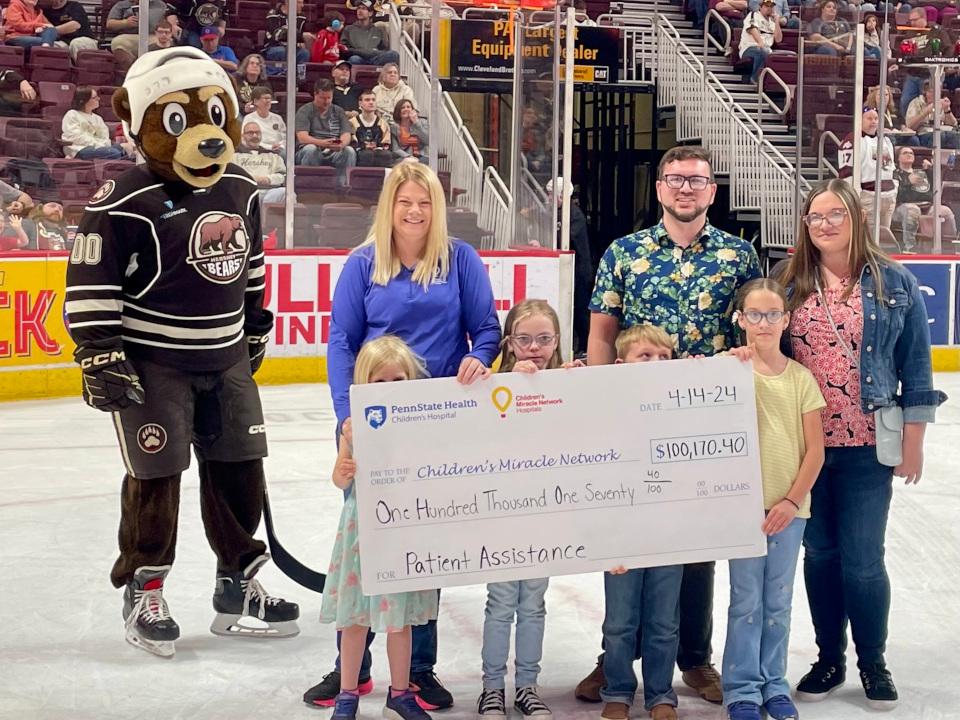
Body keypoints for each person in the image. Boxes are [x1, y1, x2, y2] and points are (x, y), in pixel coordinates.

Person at [64, 46, 299, 659]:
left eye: (215, 118)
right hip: (153, 364)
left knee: (241, 469)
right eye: (177, 122)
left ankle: (237, 582)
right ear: (138, 125)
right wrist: (98, 352)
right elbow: (91, 284)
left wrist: (252, 326)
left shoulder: (244, 187)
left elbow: (249, 265)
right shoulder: (118, 201)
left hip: (224, 358)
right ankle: (144, 587)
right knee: (156, 477)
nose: (207, 139)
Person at [303, 161, 501, 711]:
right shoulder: (363, 264)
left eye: (425, 202)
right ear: (388, 206)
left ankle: (417, 669)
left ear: (437, 208)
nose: (415, 212)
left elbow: (486, 328)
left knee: (426, 551)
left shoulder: (459, 260)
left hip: (437, 426)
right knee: (366, 544)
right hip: (373, 426)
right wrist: (347, 415)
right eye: (404, 201)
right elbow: (341, 340)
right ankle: (355, 667)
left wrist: (477, 359)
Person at [578, 145, 761, 707]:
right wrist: (598, 406)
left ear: (712, 191)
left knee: (698, 542)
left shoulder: (739, 258)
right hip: (635, 425)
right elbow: (603, 334)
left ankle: (695, 658)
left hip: (707, 425)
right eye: (676, 179)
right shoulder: (624, 253)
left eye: (697, 180)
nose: (686, 189)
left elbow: (751, 338)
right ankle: (615, 660)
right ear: (659, 188)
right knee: (627, 540)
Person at [778, 179, 946, 710]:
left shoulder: (892, 281)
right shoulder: (790, 285)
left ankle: (873, 660)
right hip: (804, 447)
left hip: (867, 444)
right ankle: (830, 658)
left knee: (863, 560)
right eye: (814, 216)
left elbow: (916, 363)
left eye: (834, 214)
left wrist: (913, 441)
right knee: (820, 554)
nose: (823, 224)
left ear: (855, 217)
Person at [722, 278, 826, 720]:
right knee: (746, 599)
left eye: (772, 315)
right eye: (754, 315)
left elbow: (815, 450)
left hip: (789, 509)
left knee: (778, 599)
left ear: (786, 320)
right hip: (743, 509)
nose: (763, 323)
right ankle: (742, 687)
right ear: (740, 319)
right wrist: (727, 367)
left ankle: (773, 682)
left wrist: (791, 501)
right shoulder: (728, 371)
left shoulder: (801, 378)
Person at [321, 334, 440, 720]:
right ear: (363, 384)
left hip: (403, 530)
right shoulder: (354, 428)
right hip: (363, 532)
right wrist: (342, 471)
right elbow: (340, 480)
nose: (389, 389)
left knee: (400, 621)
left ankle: (401, 693)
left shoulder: (420, 426)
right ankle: (347, 693)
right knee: (356, 619)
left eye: (397, 381)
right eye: (380, 382)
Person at [477, 299, 579, 719]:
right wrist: (511, 387)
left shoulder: (571, 384)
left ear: (557, 342)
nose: (534, 347)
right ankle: (491, 687)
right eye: (524, 339)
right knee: (501, 602)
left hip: (546, 515)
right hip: (502, 515)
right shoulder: (489, 386)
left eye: (543, 339)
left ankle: (527, 685)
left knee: (534, 602)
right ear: (509, 342)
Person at [598, 324, 684, 720]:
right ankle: (616, 690)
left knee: (664, 620)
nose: (655, 364)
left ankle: (660, 694)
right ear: (620, 364)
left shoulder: (686, 405)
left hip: (670, 528)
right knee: (619, 621)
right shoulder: (605, 408)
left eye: (664, 357)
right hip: (620, 530)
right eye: (644, 356)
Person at [838, 106, 897, 240]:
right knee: (868, 239)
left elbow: (890, 168)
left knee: (884, 239)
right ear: (860, 119)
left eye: (876, 118)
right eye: (869, 118)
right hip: (868, 197)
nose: (874, 122)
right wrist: (854, 198)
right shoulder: (851, 141)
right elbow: (846, 173)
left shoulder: (885, 140)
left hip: (888, 196)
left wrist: (895, 189)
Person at [892, 146, 957, 251]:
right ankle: (909, 247)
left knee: (946, 211)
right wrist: (908, 183)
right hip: (903, 206)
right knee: (912, 210)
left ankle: (950, 246)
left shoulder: (922, 172)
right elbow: (895, 195)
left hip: (927, 205)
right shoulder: (895, 174)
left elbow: (935, 190)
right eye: (905, 153)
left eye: (911, 153)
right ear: (898, 158)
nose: (909, 154)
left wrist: (930, 171)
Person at [295, 79, 357, 187]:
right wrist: (322, 143)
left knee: (349, 151)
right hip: (311, 148)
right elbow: (302, 138)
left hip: (333, 149)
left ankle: (343, 187)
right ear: (315, 94)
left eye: (329, 98)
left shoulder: (339, 111)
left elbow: (346, 134)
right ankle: (309, 186)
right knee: (311, 149)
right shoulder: (305, 110)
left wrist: (341, 144)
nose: (327, 101)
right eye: (323, 98)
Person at [896, 7, 953, 118]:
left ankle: (929, 127)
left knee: (929, 103)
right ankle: (908, 127)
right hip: (913, 73)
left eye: (915, 20)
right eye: (910, 20)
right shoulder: (909, 33)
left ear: (923, 18)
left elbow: (949, 48)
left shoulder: (936, 31)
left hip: (931, 74)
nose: (912, 23)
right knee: (905, 102)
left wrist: (943, 65)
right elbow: (903, 51)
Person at [62, 87, 136, 160]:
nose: (98, 99)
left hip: (101, 147)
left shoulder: (98, 118)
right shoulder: (72, 114)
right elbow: (77, 137)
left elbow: (105, 137)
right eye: (94, 97)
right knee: (114, 153)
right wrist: (100, 145)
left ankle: (124, 156)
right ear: (84, 101)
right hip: (79, 148)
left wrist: (103, 145)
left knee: (129, 149)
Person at [107, 0, 179, 70]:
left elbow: (170, 18)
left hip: (153, 36)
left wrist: (172, 24)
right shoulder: (121, 5)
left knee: (166, 42)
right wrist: (125, 23)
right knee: (117, 42)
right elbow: (109, 24)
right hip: (130, 38)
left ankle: (152, 70)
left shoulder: (160, 4)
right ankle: (133, 70)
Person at [235, 123, 286, 203]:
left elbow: (283, 176)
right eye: (250, 133)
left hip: (269, 193)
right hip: (244, 192)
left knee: (285, 192)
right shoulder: (234, 156)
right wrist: (252, 179)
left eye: (257, 133)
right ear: (243, 136)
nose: (255, 136)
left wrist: (268, 179)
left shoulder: (273, 156)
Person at [905, 80, 960, 149]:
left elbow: (954, 125)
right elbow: (910, 126)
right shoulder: (916, 103)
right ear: (925, 92)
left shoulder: (941, 102)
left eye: (937, 92)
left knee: (956, 135)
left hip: (943, 131)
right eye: (931, 92)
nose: (934, 94)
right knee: (939, 135)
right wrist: (927, 111)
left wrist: (947, 109)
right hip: (924, 134)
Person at [341, 0, 399, 66]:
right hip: (358, 58)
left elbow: (383, 49)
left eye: (363, 9)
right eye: (358, 8)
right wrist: (363, 52)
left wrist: (371, 53)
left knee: (393, 54)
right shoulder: (348, 29)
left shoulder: (378, 30)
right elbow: (344, 49)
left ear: (370, 13)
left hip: (375, 59)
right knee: (354, 59)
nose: (360, 11)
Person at [739, 0, 782, 84]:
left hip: (766, 50)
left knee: (786, 55)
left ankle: (771, 84)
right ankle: (755, 79)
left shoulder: (772, 23)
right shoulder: (753, 15)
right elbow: (752, 29)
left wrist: (777, 22)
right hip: (749, 48)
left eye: (771, 6)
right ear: (760, 7)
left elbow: (778, 39)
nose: (769, 8)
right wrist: (760, 42)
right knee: (762, 51)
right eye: (766, 6)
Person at [352, 89, 393, 167]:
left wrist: (378, 147)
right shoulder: (352, 123)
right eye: (367, 100)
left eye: (373, 100)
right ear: (360, 103)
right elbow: (352, 143)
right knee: (367, 154)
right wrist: (364, 146)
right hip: (360, 152)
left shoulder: (383, 123)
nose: (371, 102)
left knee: (386, 155)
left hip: (378, 151)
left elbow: (386, 144)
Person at [262, 0, 311, 64]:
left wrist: (302, 41)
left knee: (304, 53)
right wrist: (300, 36)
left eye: (302, 2)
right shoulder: (273, 15)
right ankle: (280, 73)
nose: (302, 5)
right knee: (281, 51)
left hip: (293, 48)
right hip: (273, 47)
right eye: (299, 2)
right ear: (287, 2)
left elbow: (302, 36)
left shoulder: (302, 17)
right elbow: (277, 35)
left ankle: (299, 73)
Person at [242, 85, 286, 154]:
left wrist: (281, 145)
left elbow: (285, 137)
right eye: (265, 98)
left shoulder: (277, 118)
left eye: (270, 98)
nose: (268, 101)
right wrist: (270, 147)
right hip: (259, 150)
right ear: (256, 101)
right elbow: (245, 139)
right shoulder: (249, 118)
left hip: (278, 150)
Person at [390, 99, 429, 164]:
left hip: (422, 156)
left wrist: (416, 123)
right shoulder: (394, 127)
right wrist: (409, 157)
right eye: (403, 108)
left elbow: (427, 141)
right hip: (404, 158)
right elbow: (395, 149)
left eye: (408, 107)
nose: (406, 109)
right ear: (398, 112)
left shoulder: (422, 122)